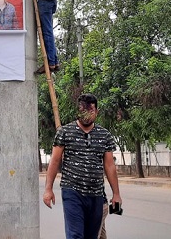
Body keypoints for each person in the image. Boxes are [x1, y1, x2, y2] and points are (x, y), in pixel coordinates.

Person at [43, 94, 121, 239]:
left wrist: (116, 194)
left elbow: (110, 166)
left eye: (90, 111)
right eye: (83, 111)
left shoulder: (104, 135)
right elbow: (54, 161)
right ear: (78, 112)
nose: (86, 115)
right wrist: (48, 189)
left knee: (91, 236)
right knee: (75, 235)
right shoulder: (64, 132)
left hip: (96, 195)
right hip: (72, 191)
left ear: (96, 112)